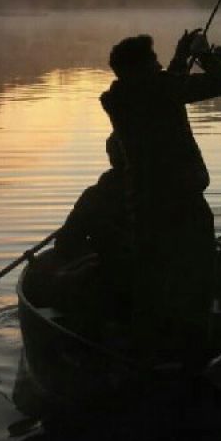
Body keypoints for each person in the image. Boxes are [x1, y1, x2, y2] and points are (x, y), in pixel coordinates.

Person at [99, 28, 221, 360]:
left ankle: (146, 353)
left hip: (144, 206)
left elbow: (164, 87)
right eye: (155, 63)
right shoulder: (160, 89)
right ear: (141, 68)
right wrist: (204, 55)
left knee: (150, 279)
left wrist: (179, 58)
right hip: (184, 204)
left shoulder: (117, 98)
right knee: (196, 276)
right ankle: (194, 354)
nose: (160, 67)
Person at [49, 133, 131, 323]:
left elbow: (64, 243)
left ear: (110, 157)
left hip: (113, 279)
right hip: (156, 277)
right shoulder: (161, 193)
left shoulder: (95, 195)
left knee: (55, 281)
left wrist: (90, 253)